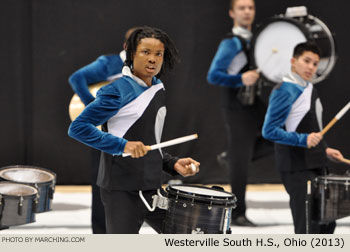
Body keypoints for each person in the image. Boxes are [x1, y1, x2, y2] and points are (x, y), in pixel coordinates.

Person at [68, 26, 200, 234]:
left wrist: (172, 163)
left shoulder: (157, 87)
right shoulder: (116, 91)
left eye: (158, 54)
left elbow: (148, 141)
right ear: (131, 54)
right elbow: (78, 128)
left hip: (152, 187)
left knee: (189, 236)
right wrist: (123, 145)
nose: (152, 59)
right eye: (145, 52)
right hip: (122, 192)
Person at [262, 42, 344, 233]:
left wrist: (324, 149)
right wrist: (303, 140)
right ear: (293, 61)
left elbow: (311, 127)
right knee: (307, 229)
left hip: (316, 163)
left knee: (327, 224)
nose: (311, 67)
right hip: (297, 167)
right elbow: (270, 130)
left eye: (315, 64)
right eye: (306, 61)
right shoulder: (285, 89)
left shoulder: (308, 87)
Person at [68, 27, 137, 234]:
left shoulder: (146, 69)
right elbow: (76, 78)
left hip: (130, 131)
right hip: (105, 133)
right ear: (127, 47)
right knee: (102, 183)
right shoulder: (110, 63)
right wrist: (94, 108)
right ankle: (100, 235)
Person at [207, 0, 268, 226]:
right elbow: (213, 75)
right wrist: (240, 79)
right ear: (232, 13)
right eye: (242, 8)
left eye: (250, 7)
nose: (247, 11)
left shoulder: (255, 39)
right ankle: (238, 213)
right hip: (236, 105)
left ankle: (230, 158)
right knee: (240, 160)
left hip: (254, 101)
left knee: (279, 134)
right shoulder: (231, 43)